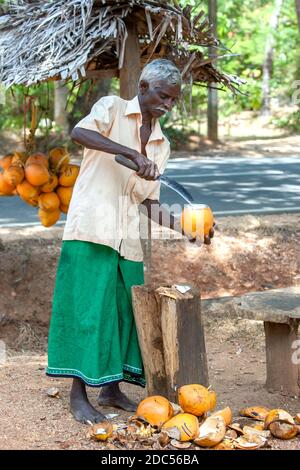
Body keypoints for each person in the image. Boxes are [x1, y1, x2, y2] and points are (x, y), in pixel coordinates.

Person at [46, 59, 214, 424]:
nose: (168, 105)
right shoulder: (112, 109)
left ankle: (111, 388)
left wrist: (188, 230)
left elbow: (149, 204)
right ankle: (78, 395)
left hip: (127, 242)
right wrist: (133, 154)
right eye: (163, 96)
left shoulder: (161, 144)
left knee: (125, 316)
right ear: (143, 88)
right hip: (92, 230)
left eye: (173, 99)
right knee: (90, 312)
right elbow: (79, 133)